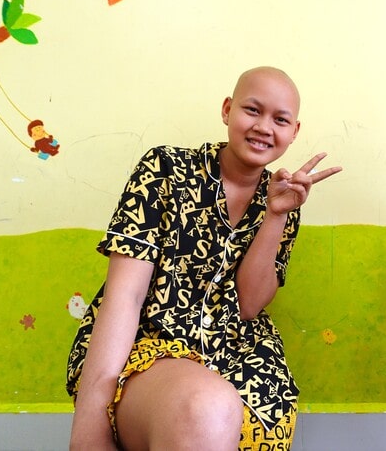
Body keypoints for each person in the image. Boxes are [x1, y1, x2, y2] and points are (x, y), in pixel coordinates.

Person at [67, 66, 342, 450]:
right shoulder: (165, 169)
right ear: (227, 109)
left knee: (254, 419)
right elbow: (125, 297)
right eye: (252, 110)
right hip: (147, 352)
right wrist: (89, 422)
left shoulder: (285, 198)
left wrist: (275, 215)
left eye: (280, 120)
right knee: (205, 408)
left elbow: (248, 305)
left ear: (294, 131)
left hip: (240, 358)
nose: (264, 127)